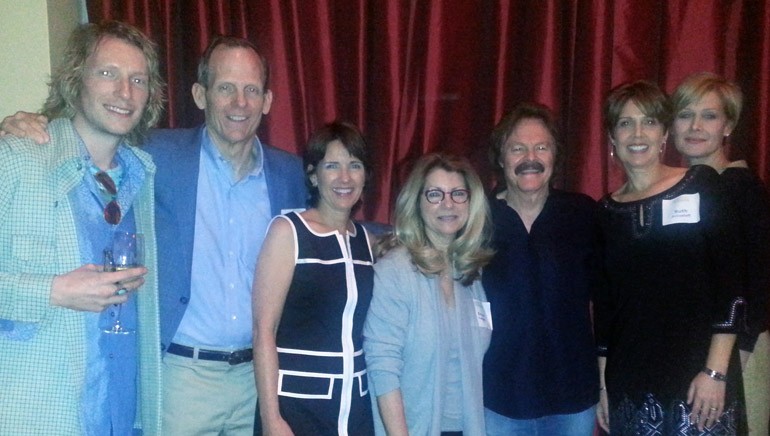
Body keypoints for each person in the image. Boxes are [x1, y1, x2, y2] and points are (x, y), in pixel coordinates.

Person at [1, 36, 308, 435]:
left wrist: (390, 241)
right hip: (173, 379)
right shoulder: (155, 157)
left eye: (251, 90)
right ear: (200, 95)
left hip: (251, 379)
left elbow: (328, 224)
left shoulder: (137, 169)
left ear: (267, 100)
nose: (240, 103)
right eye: (225, 88)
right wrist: (18, 125)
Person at [0, 21, 163, 434]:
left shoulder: (144, 178)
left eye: (138, 80)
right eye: (108, 73)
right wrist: (54, 290)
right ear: (76, 81)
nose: (125, 93)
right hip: (40, 415)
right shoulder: (16, 160)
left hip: (123, 413)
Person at [595, 80, 746, 435]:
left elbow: (732, 287)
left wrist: (715, 372)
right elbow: (605, 308)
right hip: (630, 378)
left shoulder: (702, 184)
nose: (637, 133)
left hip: (698, 377)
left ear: (664, 133)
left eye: (648, 121)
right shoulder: (606, 212)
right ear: (612, 138)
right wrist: (603, 384)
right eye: (625, 123)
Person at [481, 103, 600, 435]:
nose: (529, 157)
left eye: (541, 147)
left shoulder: (583, 214)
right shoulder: (478, 218)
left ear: (554, 156)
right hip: (498, 400)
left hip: (573, 398)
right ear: (501, 158)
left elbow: (609, 301)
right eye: (517, 148)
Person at [253, 122, 374, 435]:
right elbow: (264, 331)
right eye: (331, 166)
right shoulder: (288, 231)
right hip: (297, 407)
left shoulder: (368, 241)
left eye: (355, 165)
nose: (344, 178)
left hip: (356, 406)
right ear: (312, 175)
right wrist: (271, 419)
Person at [363, 153, 494, 435]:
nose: (448, 203)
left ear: (471, 202)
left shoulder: (471, 274)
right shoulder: (394, 271)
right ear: (417, 202)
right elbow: (383, 368)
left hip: (466, 427)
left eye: (458, 193)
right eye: (435, 194)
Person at [671, 71, 770, 436]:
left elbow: (758, 284)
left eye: (709, 116)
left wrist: (729, 364)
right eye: (685, 115)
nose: (695, 126)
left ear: (727, 126)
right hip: (695, 349)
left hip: (736, 356)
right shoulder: (685, 191)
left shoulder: (738, 186)